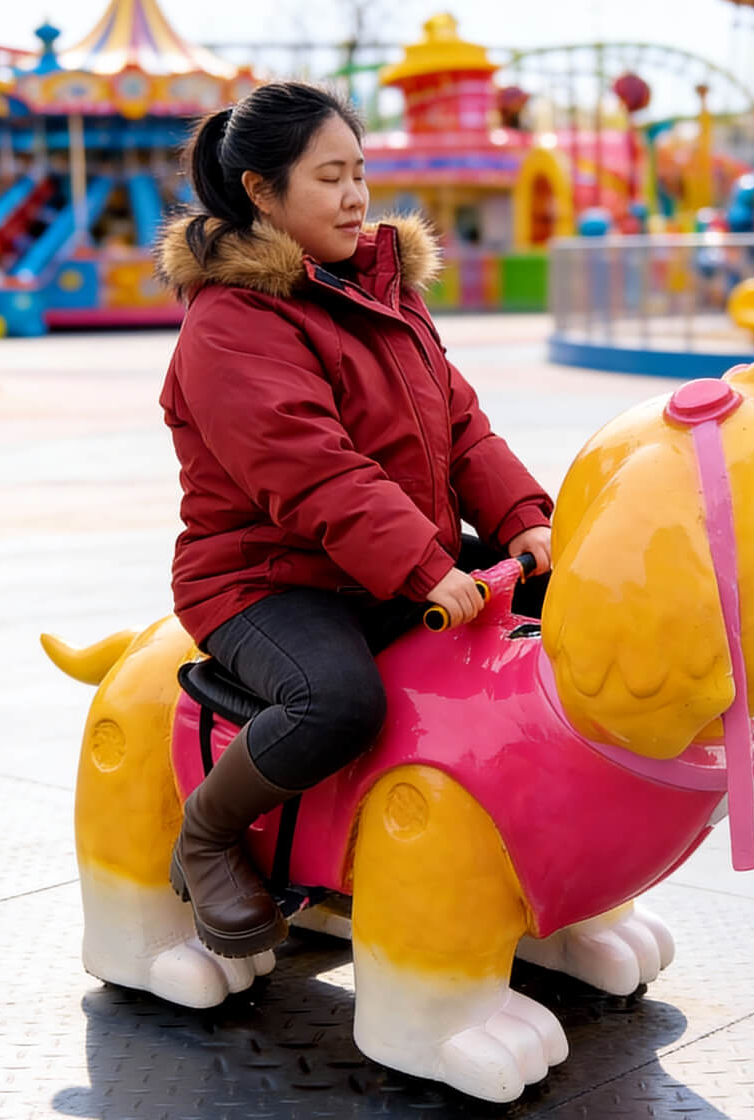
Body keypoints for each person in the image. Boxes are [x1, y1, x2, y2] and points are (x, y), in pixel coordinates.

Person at [155, 81, 554, 959]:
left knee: (564, 604)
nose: (354, 197)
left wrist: (522, 518)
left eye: (360, 173)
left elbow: (459, 425)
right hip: (266, 578)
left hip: (382, 560)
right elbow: (311, 470)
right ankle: (208, 834)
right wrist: (423, 566)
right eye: (329, 177)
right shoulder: (231, 322)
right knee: (336, 702)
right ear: (262, 192)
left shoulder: (382, 291)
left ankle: (521, 844)